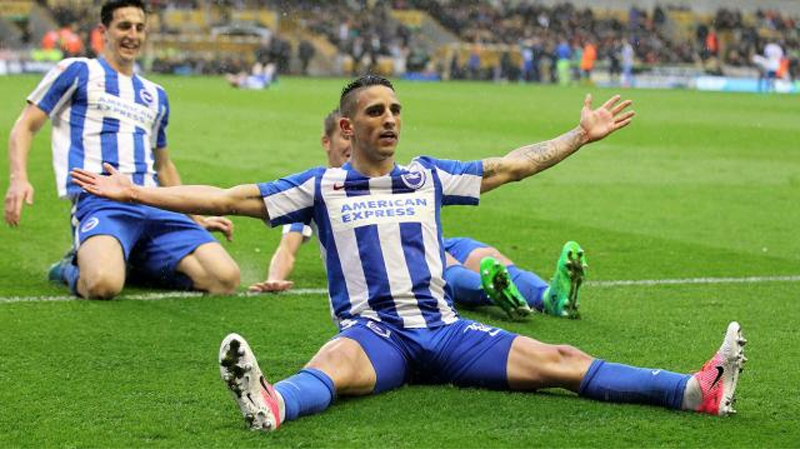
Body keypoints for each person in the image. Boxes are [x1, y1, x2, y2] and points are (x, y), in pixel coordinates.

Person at [71, 75, 747, 431]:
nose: (389, 120)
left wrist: (578, 135)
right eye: (374, 112)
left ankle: (696, 390)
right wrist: (137, 191)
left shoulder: (427, 175)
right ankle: (270, 404)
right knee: (330, 362)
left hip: (446, 331)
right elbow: (227, 194)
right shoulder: (322, 184)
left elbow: (511, 165)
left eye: (395, 110)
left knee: (563, 361)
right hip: (376, 335)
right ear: (346, 126)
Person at [249, 110, 586, 320]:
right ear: (328, 141)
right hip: (400, 256)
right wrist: (276, 276)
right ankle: (491, 291)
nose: (353, 144)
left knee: (486, 254)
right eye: (345, 138)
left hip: (434, 240)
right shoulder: (319, 189)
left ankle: (549, 296)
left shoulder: (394, 173)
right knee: (448, 266)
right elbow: (288, 245)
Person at [3, 0, 240, 299]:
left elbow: (164, 166)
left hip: (155, 202)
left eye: (140, 28)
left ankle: (132, 260)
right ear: (104, 31)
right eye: (124, 26)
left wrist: (195, 215)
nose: (133, 34)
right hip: (101, 201)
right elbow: (26, 126)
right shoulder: (77, 71)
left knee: (225, 279)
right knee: (102, 285)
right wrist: (18, 178)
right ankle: (68, 267)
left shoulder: (156, 95)